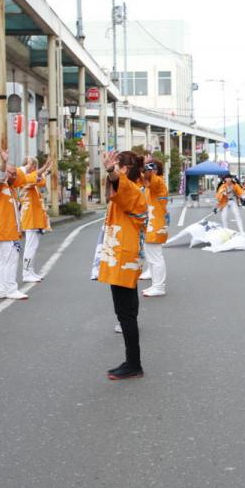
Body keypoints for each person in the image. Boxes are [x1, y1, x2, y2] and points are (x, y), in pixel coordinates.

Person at [98, 150, 149, 380]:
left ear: (124, 170)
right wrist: (111, 173)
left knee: (125, 313)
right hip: (123, 255)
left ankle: (133, 363)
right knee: (128, 312)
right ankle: (132, 361)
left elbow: (119, 185)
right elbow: (114, 190)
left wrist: (111, 171)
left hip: (123, 257)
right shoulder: (131, 189)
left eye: (117, 165)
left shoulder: (131, 189)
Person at [0, 148, 30, 300]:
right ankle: (10, 289)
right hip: (2, 228)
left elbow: (24, 174)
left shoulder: (11, 188)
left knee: (5, 259)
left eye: (14, 173)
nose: (12, 175)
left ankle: (1, 289)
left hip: (7, 229)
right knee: (10, 258)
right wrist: (4, 162)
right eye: (10, 173)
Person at [18, 156, 52, 283]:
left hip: (35, 216)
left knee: (34, 246)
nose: (34, 168)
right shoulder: (22, 178)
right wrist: (44, 169)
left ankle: (30, 270)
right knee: (30, 246)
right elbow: (34, 178)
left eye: (35, 165)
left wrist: (45, 170)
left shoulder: (32, 178)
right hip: (29, 216)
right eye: (32, 165)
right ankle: (26, 272)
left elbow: (41, 182)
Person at [141, 154, 169, 297]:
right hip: (151, 225)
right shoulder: (152, 185)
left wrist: (147, 166)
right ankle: (156, 284)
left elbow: (148, 178)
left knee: (155, 257)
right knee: (151, 256)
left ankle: (159, 286)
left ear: (155, 171)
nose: (145, 172)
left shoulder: (158, 183)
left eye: (150, 168)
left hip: (155, 226)